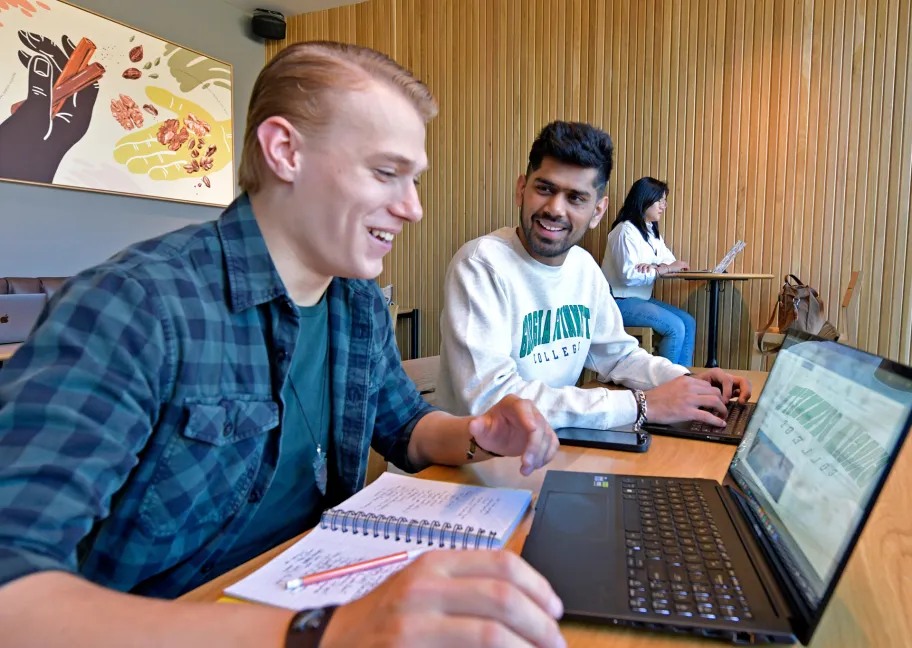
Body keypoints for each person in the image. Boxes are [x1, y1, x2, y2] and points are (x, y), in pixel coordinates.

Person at [0, 41, 566, 648]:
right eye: (386, 172)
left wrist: (481, 432)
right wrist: (327, 632)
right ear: (285, 151)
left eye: (414, 179)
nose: (413, 208)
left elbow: (405, 428)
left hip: (318, 598)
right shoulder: (134, 305)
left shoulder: (356, 303)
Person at [435, 121, 750, 433]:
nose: (555, 209)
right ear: (521, 189)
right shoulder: (481, 264)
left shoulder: (584, 270)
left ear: (598, 211)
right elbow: (492, 399)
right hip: (472, 463)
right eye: (544, 188)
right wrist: (642, 405)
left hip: (548, 448)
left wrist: (685, 382)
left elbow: (618, 357)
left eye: (576, 198)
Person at [601, 177, 697, 365]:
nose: (664, 206)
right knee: (675, 327)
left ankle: (684, 380)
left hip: (639, 300)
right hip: (617, 301)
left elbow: (673, 263)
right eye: (659, 200)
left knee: (688, 322)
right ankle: (669, 383)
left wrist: (657, 267)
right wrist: (663, 269)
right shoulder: (624, 231)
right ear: (644, 199)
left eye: (664, 201)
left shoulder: (652, 232)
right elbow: (628, 276)